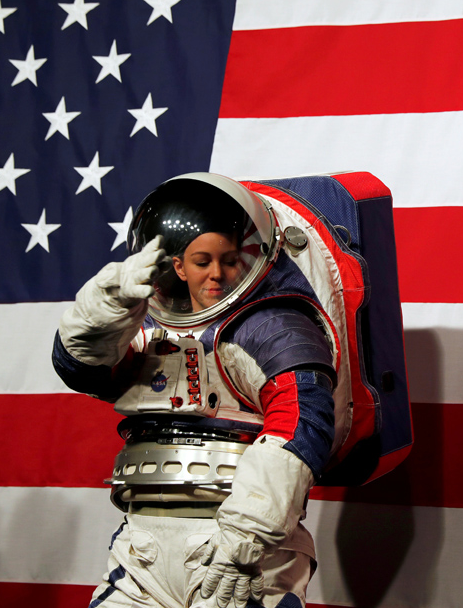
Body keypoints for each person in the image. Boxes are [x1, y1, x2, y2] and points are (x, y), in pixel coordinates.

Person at [52, 173, 340, 608]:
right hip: (142, 544)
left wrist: (245, 540)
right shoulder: (143, 324)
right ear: (179, 267)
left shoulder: (273, 327)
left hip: (238, 546)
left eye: (229, 259)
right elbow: (81, 369)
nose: (217, 274)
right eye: (202, 261)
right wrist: (107, 306)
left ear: (252, 260)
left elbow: (300, 427)